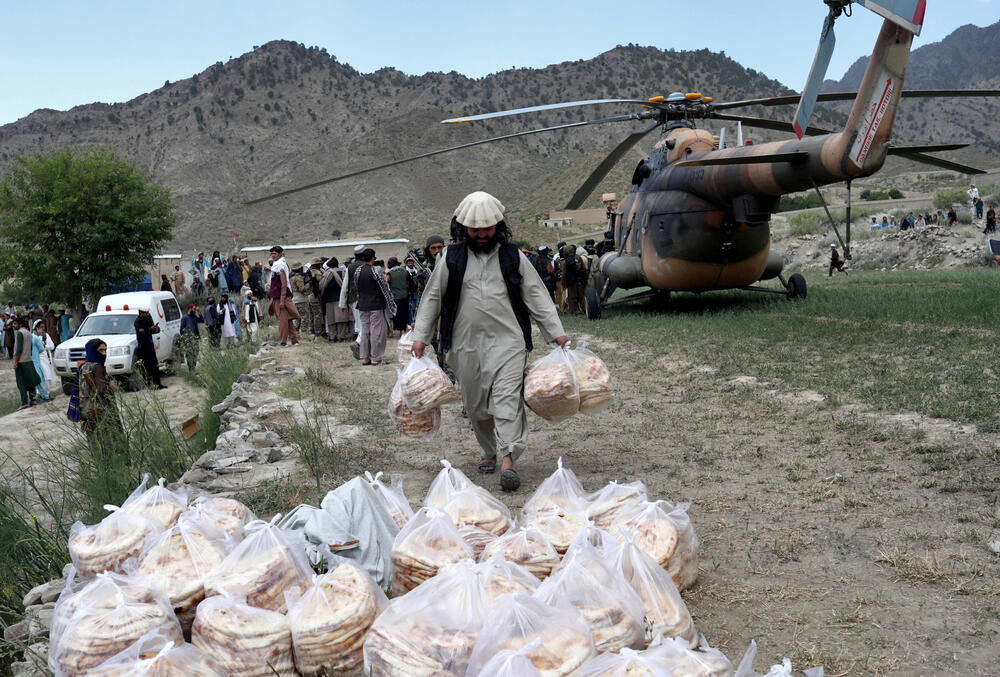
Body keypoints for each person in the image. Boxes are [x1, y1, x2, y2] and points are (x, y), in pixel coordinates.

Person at [412, 191, 568, 492]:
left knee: (507, 399)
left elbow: (536, 294)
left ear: (498, 226)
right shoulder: (451, 258)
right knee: (475, 404)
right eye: (476, 230)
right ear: (464, 228)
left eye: (488, 229)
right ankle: (488, 451)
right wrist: (421, 336)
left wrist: (556, 332)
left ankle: (508, 458)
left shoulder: (513, 256)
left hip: (508, 342)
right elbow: (432, 297)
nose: (482, 235)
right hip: (464, 344)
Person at [76, 338, 122, 443]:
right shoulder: (98, 367)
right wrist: (111, 387)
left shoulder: (84, 367)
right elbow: (102, 389)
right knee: (112, 443)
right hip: (102, 413)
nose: (104, 353)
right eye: (101, 350)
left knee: (95, 443)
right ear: (92, 351)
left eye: (105, 350)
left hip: (88, 413)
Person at [354, 248, 394, 365]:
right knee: (376, 332)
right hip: (375, 305)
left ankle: (364, 358)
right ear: (373, 258)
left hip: (362, 305)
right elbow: (384, 287)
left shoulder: (358, 271)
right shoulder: (376, 271)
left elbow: (357, 286)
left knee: (365, 331)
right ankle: (375, 358)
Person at [268, 245, 300, 346]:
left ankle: (283, 342)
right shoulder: (279, 263)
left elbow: (283, 283)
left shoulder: (279, 265)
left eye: (275, 253)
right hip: (282, 295)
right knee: (288, 319)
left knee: (282, 320)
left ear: (280, 254)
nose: (273, 255)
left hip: (280, 296)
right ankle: (294, 340)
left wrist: (281, 300)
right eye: (272, 254)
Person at [11, 317, 40, 409]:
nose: (13, 325)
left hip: (21, 362)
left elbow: (19, 349)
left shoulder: (20, 333)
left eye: (15, 323)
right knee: (31, 382)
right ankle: (33, 399)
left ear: (20, 324)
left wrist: (16, 362)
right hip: (29, 360)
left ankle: (24, 402)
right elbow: (30, 348)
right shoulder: (28, 333)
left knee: (21, 383)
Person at [319, 257, 350, 341]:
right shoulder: (343, 272)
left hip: (329, 299)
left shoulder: (327, 273)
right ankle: (341, 336)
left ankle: (332, 337)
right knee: (342, 319)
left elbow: (322, 286)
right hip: (341, 298)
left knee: (331, 319)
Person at [134, 304, 164, 389]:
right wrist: (150, 329)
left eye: (148, 312)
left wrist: (153, 328)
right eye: (146, 313)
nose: (148, 314)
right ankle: (148, 385)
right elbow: (142, 333)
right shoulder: (137, 322)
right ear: (141, 313)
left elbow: (150, 330)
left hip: (150, 344)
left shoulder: (148, 317)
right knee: (145, 366)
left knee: (154, 365)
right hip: (143, 347)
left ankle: (158, 384)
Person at [386, 256, 413, 336]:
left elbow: (386, 284)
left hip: (395, 297)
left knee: (397, 313)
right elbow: (411, 284)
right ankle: (403, 329)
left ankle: (401, 330)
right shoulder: (405, 272)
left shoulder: (390, 273)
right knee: (404, 312)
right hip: (405, 296)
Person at [31, 320, 55, 401]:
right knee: (42, 377)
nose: (43, 329)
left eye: (43, 327)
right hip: (39, 360)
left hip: (47, 359)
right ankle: (42, 394)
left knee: (48, 377)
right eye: (41, 327)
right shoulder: (33, 337)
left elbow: (52, 346)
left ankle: (46, 394)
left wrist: (45, 346)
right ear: (36, 328)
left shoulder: (46, 335)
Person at [560, 244, 587, 315]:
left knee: (572, 297)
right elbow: (584, 269)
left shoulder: (565, 261)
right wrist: (585, 279)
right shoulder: (578, 258)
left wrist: (563, 282)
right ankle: (584, 309)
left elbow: (564, 274)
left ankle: (574, 310)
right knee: (581, 296)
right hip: (580, 280)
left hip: (570, 281)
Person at [178, 303, 203, 371]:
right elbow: (181, 329)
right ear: (190, 309)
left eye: (195, 309)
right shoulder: (185, 317)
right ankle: (191, 370)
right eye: (194, 309)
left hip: (195, 338)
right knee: (189, 354)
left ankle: (193, 368)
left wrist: (199, 312)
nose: (195, 310)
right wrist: (183, 340)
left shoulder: (194, 316)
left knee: (195, 353)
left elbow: (202, 320)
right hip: (188, 340)